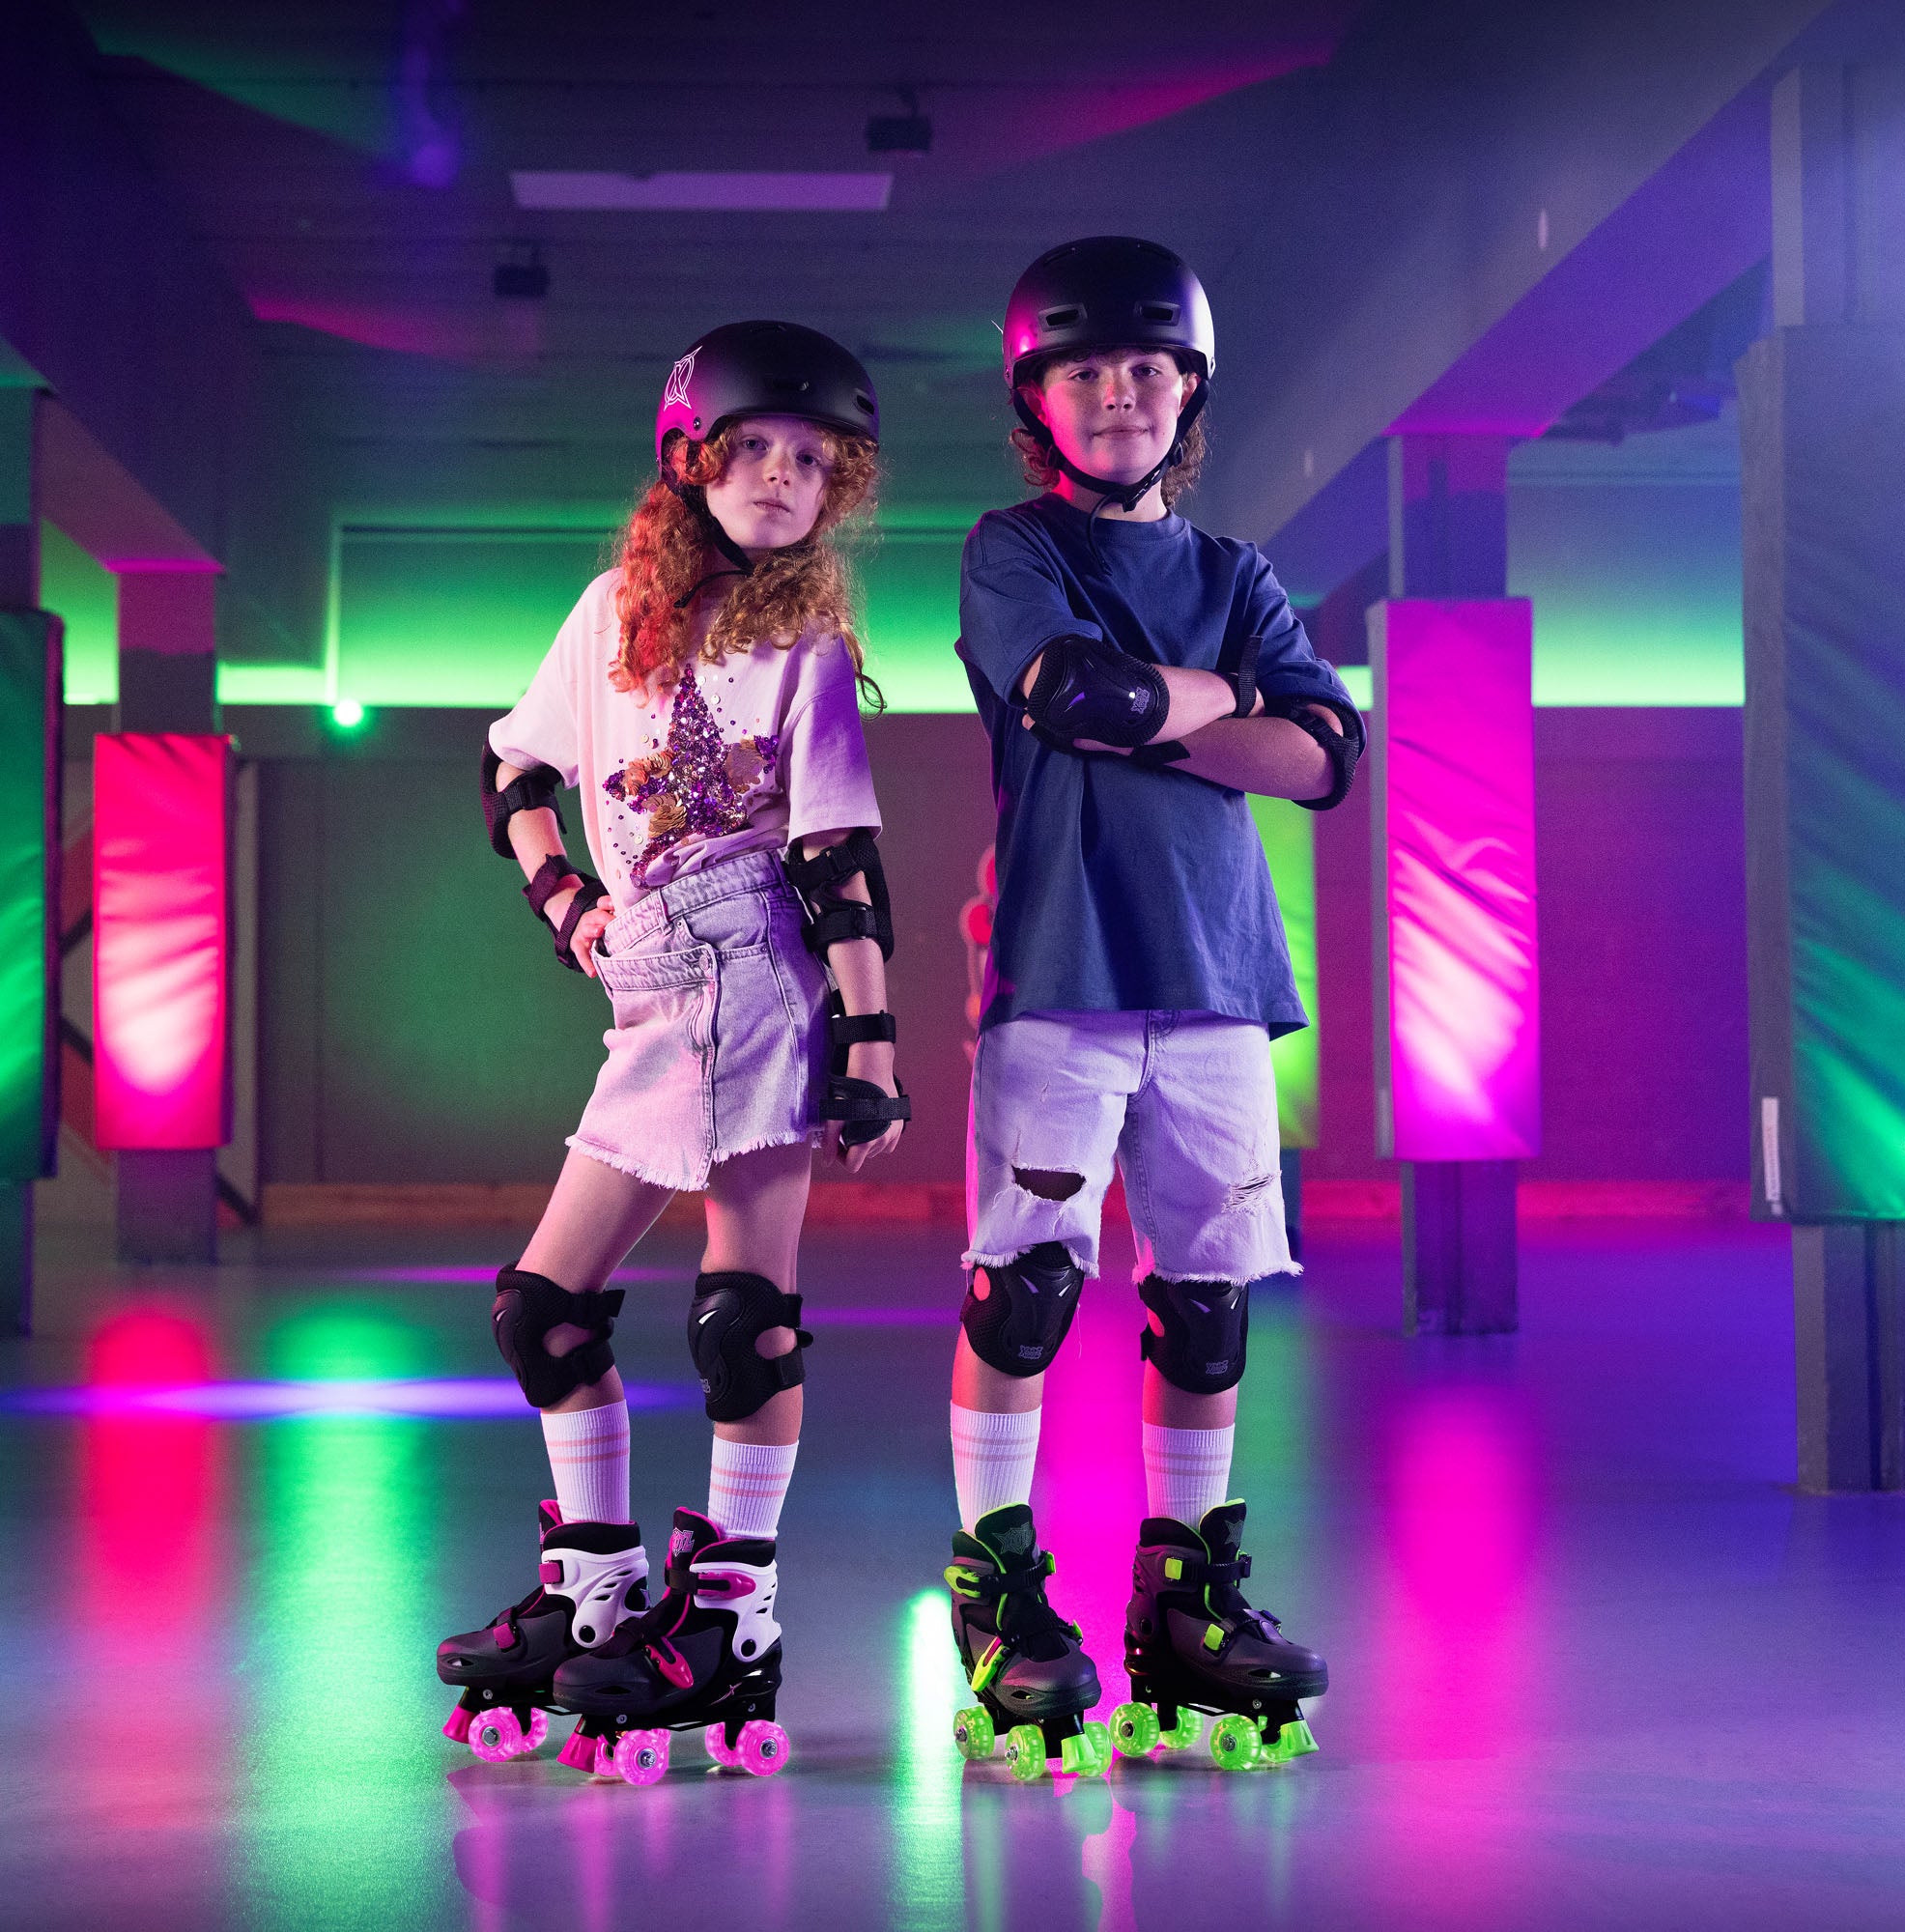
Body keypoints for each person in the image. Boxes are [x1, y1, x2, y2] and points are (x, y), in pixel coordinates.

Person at [438, 320, 908, 1785]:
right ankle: (598, 1591)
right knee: (542, 1311)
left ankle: (731, 1619)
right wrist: (563, 897)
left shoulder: (805, 647)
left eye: (811, 461)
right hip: (648, 982)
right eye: (752, 449)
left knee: (741, 1318)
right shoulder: (607, 618)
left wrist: (872, 1041)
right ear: (689, 462)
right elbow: (514, 763)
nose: (780, 478)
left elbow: (838, 857)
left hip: (759, 969)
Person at [943, 238, 1362, 1780]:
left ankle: (1183, 1606)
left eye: (1145, 367)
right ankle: (997, 1592)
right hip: (1059, 968)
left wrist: (1163, 708)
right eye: (1084, 370)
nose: (1116, 392)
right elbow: (1068, 694)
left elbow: (1326, 757)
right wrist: (1232, 703)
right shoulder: (1014, 549)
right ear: (1036, 399)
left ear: (1188, 391)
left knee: (1207, 1301)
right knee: (1026, 1291)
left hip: (1217, 978)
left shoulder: (1236, 573)